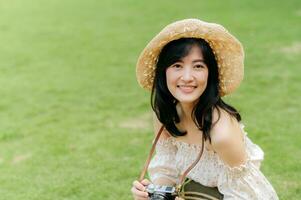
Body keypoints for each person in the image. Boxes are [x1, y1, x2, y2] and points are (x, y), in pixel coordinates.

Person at [131, 19, 279, 200]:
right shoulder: (164, 115)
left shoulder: (222, 133)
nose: (187, 77)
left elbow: (247, 196)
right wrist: (154, 193)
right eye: (177, 66)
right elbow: (167, 169)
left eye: (198, 66)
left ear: (210, 74)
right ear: (164, 72)